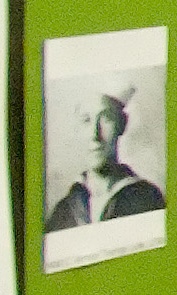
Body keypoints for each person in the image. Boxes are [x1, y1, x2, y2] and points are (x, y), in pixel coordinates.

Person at [45, 84, 163, 230]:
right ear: (77, 130)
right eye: (86, 120)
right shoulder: (64, 210)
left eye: (106, 118)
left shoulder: (146, 198)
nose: (95, 135)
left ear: (122, 124)